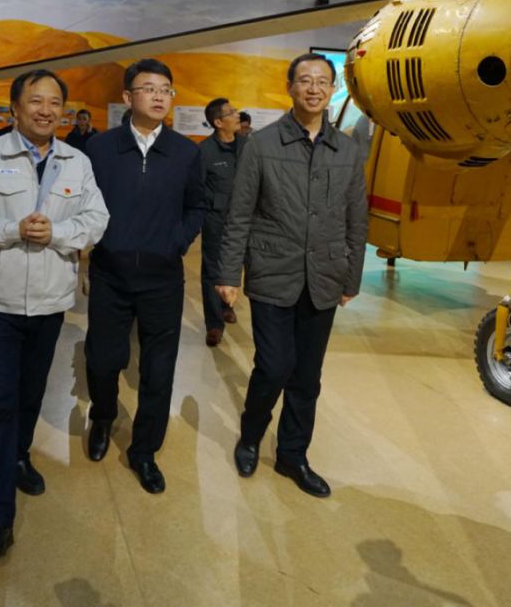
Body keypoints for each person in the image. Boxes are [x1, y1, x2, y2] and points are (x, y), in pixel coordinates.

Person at [0, 69, 109, 563]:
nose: (45, 110)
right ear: (15, 108)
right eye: (35, 101)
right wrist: (12, 229)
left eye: (54, 102)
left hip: (49, 301)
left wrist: (56, 234)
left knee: (31, 391)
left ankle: (17, 455)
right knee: (0, 401)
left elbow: (96, 220)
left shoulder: (76, 161)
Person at [216, 53, 368, 498]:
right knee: (274, 365)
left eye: (322, 81)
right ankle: (250, 436)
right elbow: (239, 215)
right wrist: (228, 273)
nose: (314, 89)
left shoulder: (348, 151)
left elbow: (357, 219)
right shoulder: (261, 145)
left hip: (323, 277)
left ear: (333, 90)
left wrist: (351, 278)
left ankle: (292, 455)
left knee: (307, 376)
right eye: (305, 80)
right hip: (273, 273)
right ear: (290, 87)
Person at [83, 58, 206, 494]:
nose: (158, 96)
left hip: (162, 278)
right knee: (102, 359)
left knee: (159, 368)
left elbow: (197, 206)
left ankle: (144, 450)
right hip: (110, 274)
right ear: (127, 97)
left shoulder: (186, 152)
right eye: (148, 88)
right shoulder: (100, 149)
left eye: (165, 90)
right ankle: (102, 416)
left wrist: (177, 241)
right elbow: (83, 203)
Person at [198, 97, 245, 347]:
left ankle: (227, 305)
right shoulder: (204, 151)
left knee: (241, 267)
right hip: (216, 221)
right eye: (231, 112)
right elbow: (197, 188)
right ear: (218, 122)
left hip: (246, 221)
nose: (237, 115)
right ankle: (214, 324)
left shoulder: (248, 145)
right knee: (212, 272)